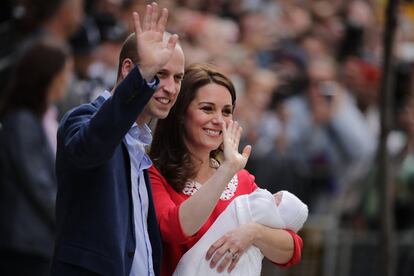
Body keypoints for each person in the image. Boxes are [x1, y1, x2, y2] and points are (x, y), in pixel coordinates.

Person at [50, 3, 185, 276]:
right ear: (128, 69)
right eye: (160, 74)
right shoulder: (83, 119)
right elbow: (90, 147)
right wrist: (142, 77)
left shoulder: (140, 143)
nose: (170, 88)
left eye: (178, 78)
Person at [149, 63, 304, 276]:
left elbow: (292, 250)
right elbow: (174, 229)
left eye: (226, 111)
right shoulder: (153, 172)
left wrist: (253, 233)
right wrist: (227, 169)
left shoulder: (242, 180)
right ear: (180, 114)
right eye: (207, 108)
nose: (219, 120)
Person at [0, 38, 72, 276]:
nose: (67, 81)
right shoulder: (21, 122)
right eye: (64, 74)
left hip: (41, 241)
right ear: (47, 77)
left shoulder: (46, 118)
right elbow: (39, 185)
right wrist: (71, 217)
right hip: (25, 244)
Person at [174, 188, 308, 276]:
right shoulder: (159, 174)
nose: (269, 194)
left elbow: (294, 247)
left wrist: (255, 232)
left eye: (277, 198)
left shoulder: (243, 179)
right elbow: (169, 227)